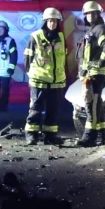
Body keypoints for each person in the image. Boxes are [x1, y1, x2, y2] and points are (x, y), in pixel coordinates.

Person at [24, 8, 67, 145]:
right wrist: (30, 74)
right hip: (39, 80)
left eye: (54, 21)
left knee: (53, 110)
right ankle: (32, 135)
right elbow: (28, 57)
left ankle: (50, 135)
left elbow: (62, 58)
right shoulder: (36, 36)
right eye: (49, 21)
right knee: (36, 108)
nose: (52, 24)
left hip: (56, 81)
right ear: (45, 22)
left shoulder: (60, 37)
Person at [76, 1, 105, 147]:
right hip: (92, 73)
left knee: (90, 104)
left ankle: (89, 137)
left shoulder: (100, 29)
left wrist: (100, 63)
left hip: (95, 74)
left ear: (98, 14)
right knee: (96, 104)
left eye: (93, 13)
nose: (90, 16)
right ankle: (100, 135)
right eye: (88, 13)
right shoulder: (91, 31)